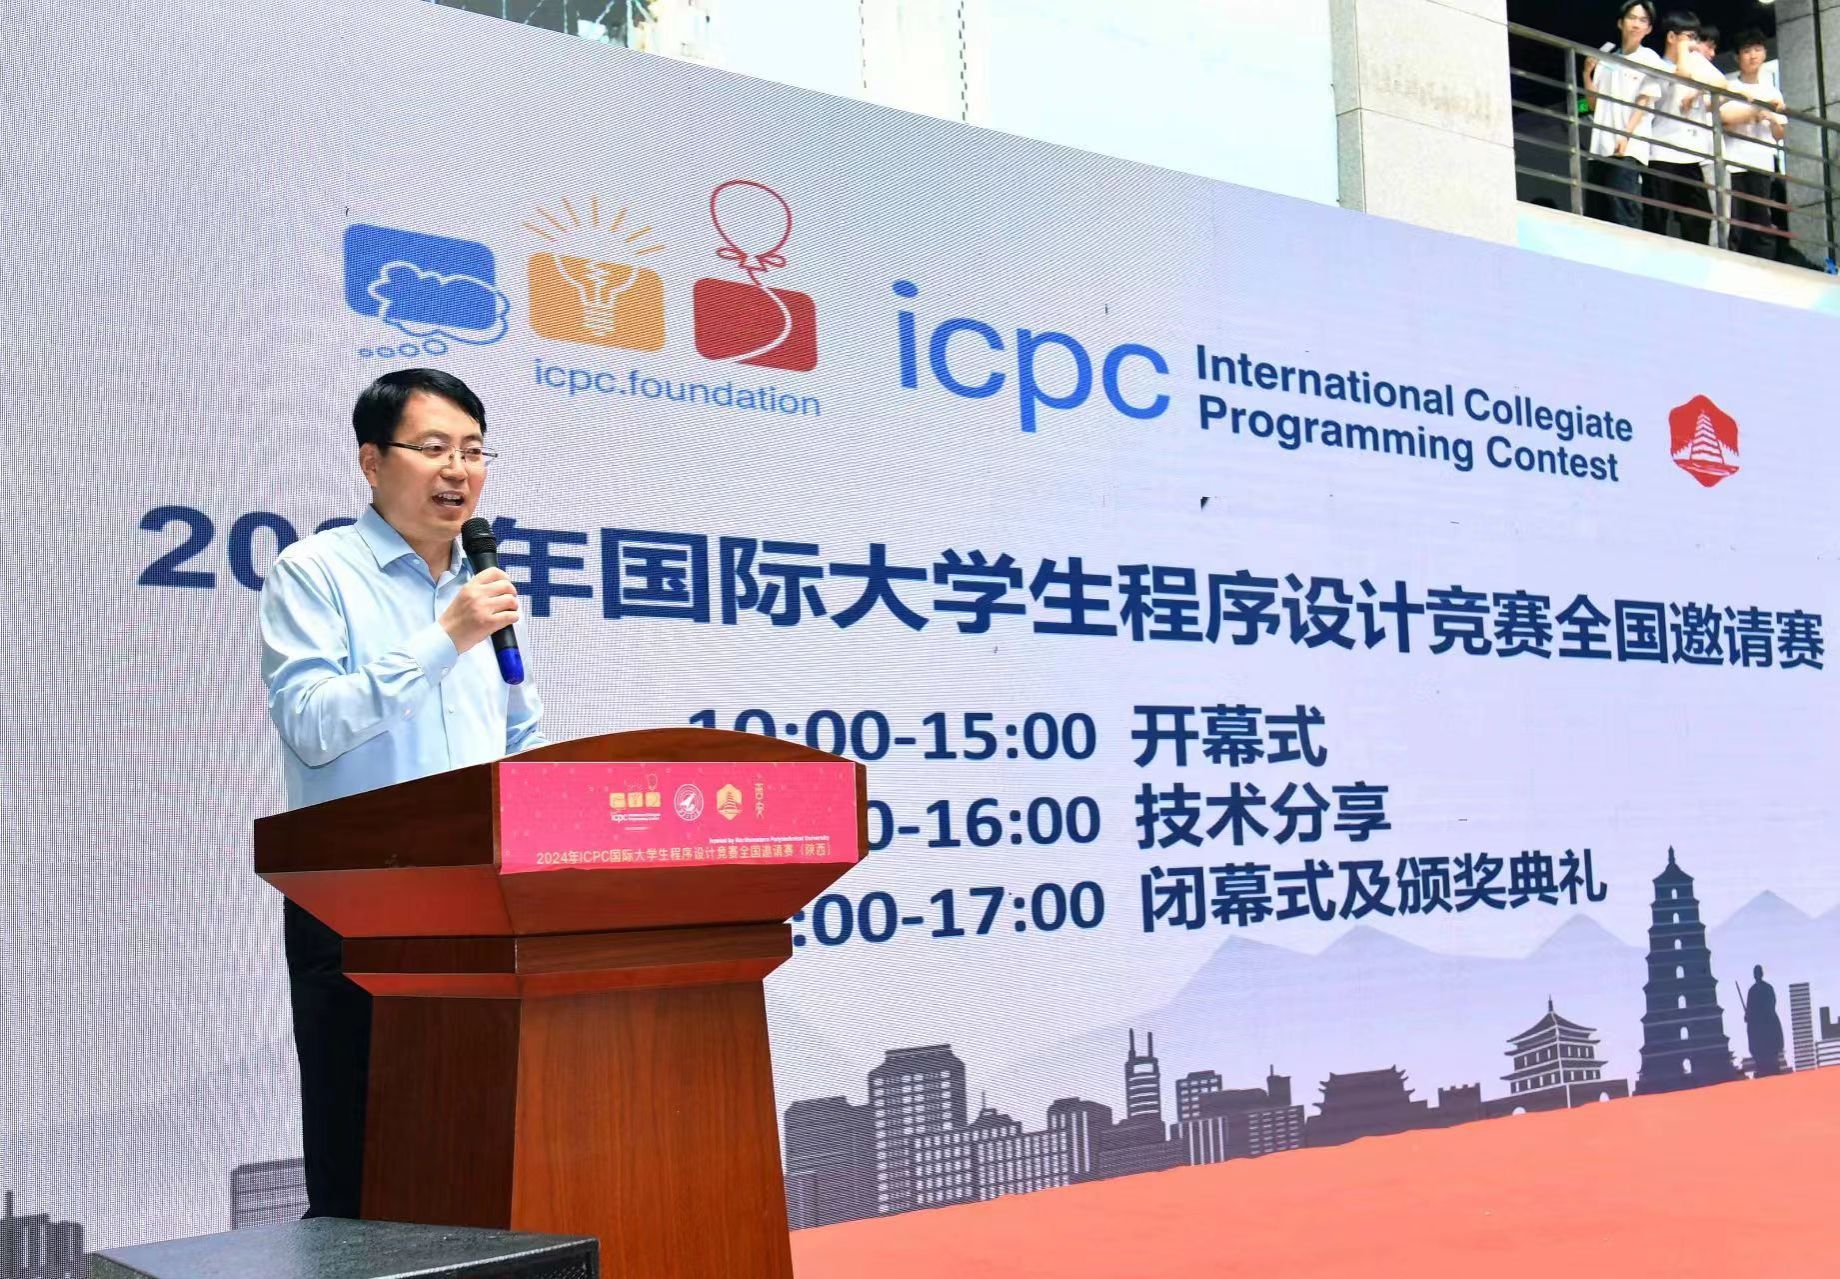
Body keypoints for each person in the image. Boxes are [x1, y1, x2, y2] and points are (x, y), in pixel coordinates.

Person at [259, 368, 547, 1217]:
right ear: (372, 461)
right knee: (366, 1158)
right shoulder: (316, 572)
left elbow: (519, 733)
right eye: (433, 448)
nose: (458, 469)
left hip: (482, 901)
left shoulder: (483, 586)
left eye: (473, 451)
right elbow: (312, 722)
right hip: (358, 903)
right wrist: (444, 636)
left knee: (478, 1145)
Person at [1583, 2, 1666, 228]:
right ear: (1620, 23)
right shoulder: (1606, 59)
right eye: (1632, 18)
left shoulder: (1648, 57)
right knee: (1597, 216)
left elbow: (1644, 100)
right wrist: (1587, 74)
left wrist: (1626, 135)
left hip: (1628, 147)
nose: (1636, 24)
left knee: (1623, 212)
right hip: (1599, 148)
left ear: (1649, 28)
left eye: (1643, 20)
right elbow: (1593, 104)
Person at [1644, 11, 1723, 243]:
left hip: (1689, 155)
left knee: (1699, 219)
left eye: (1696, 38)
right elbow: (1683, 73)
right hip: (1661, 152)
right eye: (1689, 37)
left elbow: (1721, 83)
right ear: (1671, 37)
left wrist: (1697, 92)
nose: (1694, 44)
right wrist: (1684, 54)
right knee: (1656, 218)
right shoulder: (1658, 65)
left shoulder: (1696, 62)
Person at [1720, 30, 1788, 258]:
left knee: (1761, 223)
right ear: (1737, 57)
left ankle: (1766, 266)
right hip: (1734, 164)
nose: (1753, 55)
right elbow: (1725, 119)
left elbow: (1779, 134)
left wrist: (1772, 119)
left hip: (1762, 163)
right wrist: (1757, 111)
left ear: (1765, 53)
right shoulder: (1731, 87)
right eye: (1747, 51)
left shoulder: (1771, 90)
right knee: (1735, 222)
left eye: (1757, 49)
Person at [1744, 964, 1786, 1077]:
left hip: (1767, 1026)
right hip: (1759, 1029)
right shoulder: (1753, 991)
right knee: (1762, 1058)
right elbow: (1749, 1010)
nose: (1757, 975)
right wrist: (1748, 1016)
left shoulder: (1767, 989)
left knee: (1770, 1057)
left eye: (1758, 973)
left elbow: (1771, 1005)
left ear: (1761, 974)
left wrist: (1754, 1016)